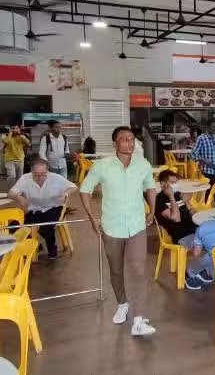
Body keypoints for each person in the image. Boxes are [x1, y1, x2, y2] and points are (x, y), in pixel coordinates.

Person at [80, 126, 158, 336]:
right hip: (112, 227)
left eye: (132, 139)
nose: (129, 143)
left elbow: (150, 187)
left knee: (139, 270)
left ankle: (139, 320)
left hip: (137, 226)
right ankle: (122, 304)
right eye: (124, 139)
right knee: (116, 270)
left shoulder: (143, 164)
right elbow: (85, 190)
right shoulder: (101, 166)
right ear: (115, 143)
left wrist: (152, 210)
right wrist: (92, 218)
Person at [8, 158, 77, 260]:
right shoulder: (25, 178)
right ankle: (37, 246)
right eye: (36, 174)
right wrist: (18, 197)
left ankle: (52, 250)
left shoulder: (56, 178)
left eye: (43, 174)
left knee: (46, 224)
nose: (39, 177)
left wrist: (66, 194)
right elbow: (10, 193)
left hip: (53, 207)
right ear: (31, 172)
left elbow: (74, 187)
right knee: (13, 226)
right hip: (34, 210)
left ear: (47, 171)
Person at [154, 170, 210, 290]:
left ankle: (200, 270)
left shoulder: (178, 194)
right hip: (180, 234)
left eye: (176, 182)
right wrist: (171, 197)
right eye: (172, 183)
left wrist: (187, 202)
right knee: (206, 249)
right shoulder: (159, 201)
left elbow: (194, 214)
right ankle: (191, 273)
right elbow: (176, 218)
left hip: (194, 229)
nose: (175, 185)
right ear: (163, 184)